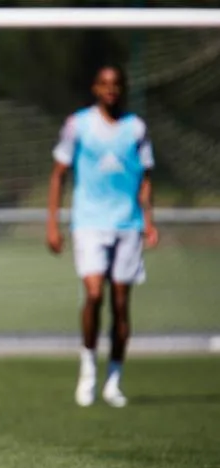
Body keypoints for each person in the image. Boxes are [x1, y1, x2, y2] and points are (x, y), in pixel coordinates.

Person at [47, 64, 159, 408]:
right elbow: (59, 174)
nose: (111, 89)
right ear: (95, 88)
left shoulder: (135, 128)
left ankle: (113, 379)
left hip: (127, 224)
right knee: (94, 294)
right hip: (89, 222)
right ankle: (88, 372)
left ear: (122, 88)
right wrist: (53, 222)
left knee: (121, 303)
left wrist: (149, 220)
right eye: (104, 84)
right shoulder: (78, 125)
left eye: (116, 84)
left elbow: (144, 178)